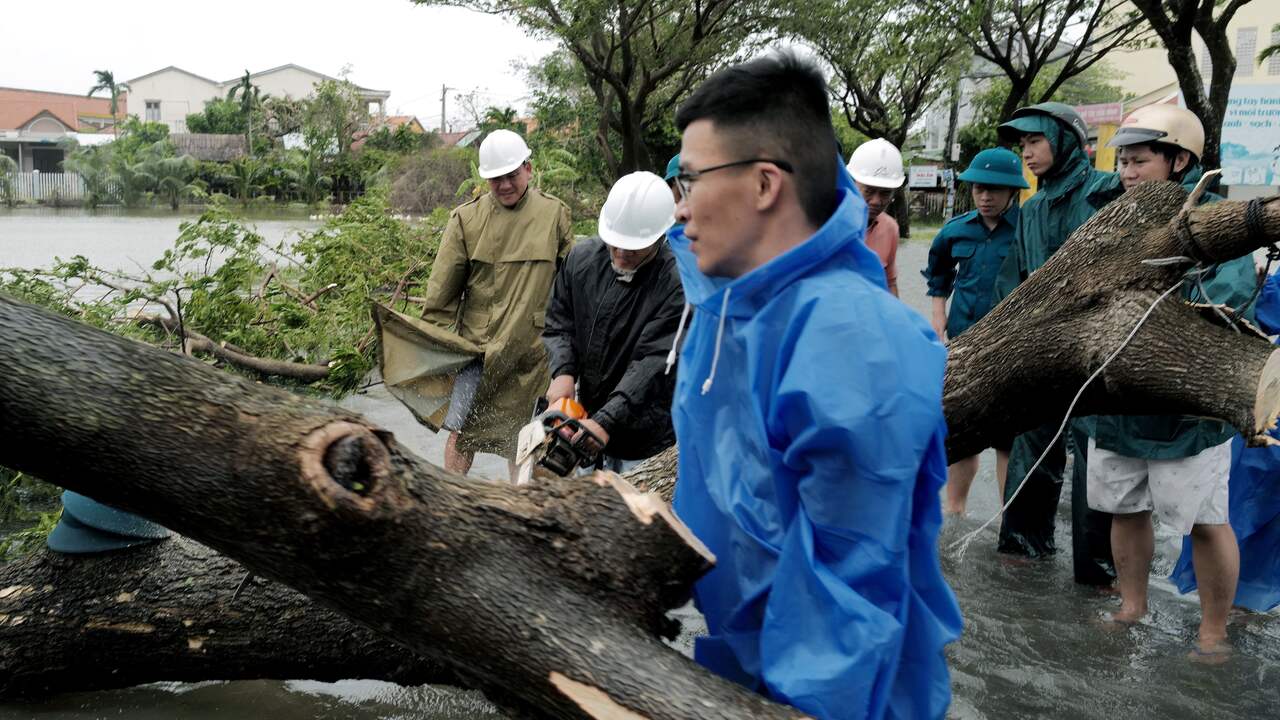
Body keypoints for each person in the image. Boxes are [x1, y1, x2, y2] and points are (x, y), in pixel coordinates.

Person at [667, 51, 960, 719]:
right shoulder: (736, 311)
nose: (680, 210)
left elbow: (851, 591)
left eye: (691, 180)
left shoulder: (850, 340)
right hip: (747, 659)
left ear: (765, 183)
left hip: (825, 695)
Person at [1084, 104, 1256, 654]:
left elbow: (1227, 297)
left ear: (1180, 160)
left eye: (1140, 161)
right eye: (1123, 163)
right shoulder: (1110, 217)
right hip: (1118, 400)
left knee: (1204, 519)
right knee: (1123, 504)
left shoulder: (1217, 220)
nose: (1127, 173)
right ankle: (1132, 605)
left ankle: (1213, 630)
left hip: (1186, 407)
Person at [992, 101, 1123, 585]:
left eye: (1035, 141)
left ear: (1066, 140)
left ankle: (1099, 572)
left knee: (1097, 459)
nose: (1026, 152)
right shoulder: (1032, 208)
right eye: (1022, 144)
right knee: (1032, 443)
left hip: (1099, 348)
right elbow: (1019, 282)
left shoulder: (1106, 191)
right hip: (1043, 348)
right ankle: (1022, 549)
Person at [419, 129, 573, 479]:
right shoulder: (466, 220)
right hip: (478, 352)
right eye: (495, 179)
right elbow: (440, 297)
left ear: (529, 169)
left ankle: (521, 512)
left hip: (533, 353)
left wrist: (571, 355)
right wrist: (438, 357)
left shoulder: (554, 215)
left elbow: (571, 289)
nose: (504, 185)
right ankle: (451, 501)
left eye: (512, 175)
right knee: (463, 434)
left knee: (528, 438)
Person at [542, 171, 685, 470]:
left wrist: (607, 420)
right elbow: (560, 321)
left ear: (660, 235)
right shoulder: (581, 260)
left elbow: (652, 363)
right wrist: (563, 371)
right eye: (614, 242)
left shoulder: (675, 282)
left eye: (632, 247)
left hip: (644, 435)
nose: (620, 253)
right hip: (589, 414)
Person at [922, 147, 1028, 514]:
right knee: (960, 431)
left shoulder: (1028, 230)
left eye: (995, 190)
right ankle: (955, 511)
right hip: (963, 344)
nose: (985, 196)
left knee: (1007, 439)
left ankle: (1008, 517)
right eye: (979, 188)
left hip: (1011, 347)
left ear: (1013, 191)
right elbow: (937, 273)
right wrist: (938, 314)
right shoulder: (955, 230)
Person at [847, 138, 905, 296]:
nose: (877, 201)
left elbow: (890, 281)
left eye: (885, 193)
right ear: (852, 184)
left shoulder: (890, 228)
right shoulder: (826, 221)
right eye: (869, 191)